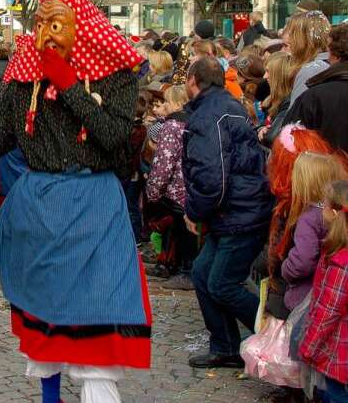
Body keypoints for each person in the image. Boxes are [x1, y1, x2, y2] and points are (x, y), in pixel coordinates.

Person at [0, 0, 148, 403]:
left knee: (98, 313)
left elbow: (112, 135)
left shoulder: (117, 77)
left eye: (55, 25)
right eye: (39, 24)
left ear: (81, 27)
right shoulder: (23, 73)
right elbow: (6, 126)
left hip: (94, 205)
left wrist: (69, 83)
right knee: (45, 313)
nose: (44, 36)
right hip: (40, 205)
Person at [183, 56, 273, 368]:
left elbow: (212, 177)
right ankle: (225, 345)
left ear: (194, 81)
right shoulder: (229, 105)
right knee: (203, 273)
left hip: (239, 214)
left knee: (221, 282)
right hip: (234, 211)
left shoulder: (210, 114)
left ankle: (273, 335)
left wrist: (194, 211)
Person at [299, 179, 348, 402]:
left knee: (335, 395)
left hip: (340, 351)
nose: (321, 209)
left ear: (336, 213)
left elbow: (328, 310)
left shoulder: (340, 262)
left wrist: (308, 347)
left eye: (324, 205)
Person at [143, 85, 196, 287]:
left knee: (179, 232)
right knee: (180, 231)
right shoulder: (193, 122)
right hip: (191, 186)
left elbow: (164, 162)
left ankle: (183, 270)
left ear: (176, 103)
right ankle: (171, 265)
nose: (164, 105)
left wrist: (153, 190)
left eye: (166, 101)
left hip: (175, 188)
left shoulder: (171, 126)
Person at [280, 153, 347, 312]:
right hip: (332, 291)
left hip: (305, 298)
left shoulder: (309, 219)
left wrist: (286, 268)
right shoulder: (338, 211)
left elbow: (302, 261)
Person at [286, 21, 348, 156]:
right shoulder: (316, 94)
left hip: (325, 172)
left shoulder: (316, 96)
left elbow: (290, 141)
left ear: (334, 54)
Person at [285, 10, 331, 106]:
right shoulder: (331, 64)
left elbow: (296, 118)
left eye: (292, 34)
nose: (288, 40)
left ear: (304, 38)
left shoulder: (311, 70)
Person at [259, 51, 296, 148]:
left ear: (279, 75)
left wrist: (264, 133)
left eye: (268, 71)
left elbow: (271, 138)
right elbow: (264, 125)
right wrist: (261, 129)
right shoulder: (274, 99)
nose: (264, 76)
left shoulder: (289, 101)